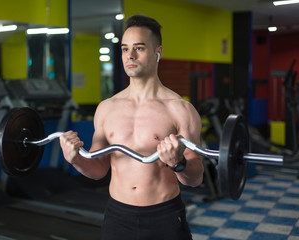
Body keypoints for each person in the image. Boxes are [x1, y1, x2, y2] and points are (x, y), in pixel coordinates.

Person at [60, 14, 204, 240]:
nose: (131, 55)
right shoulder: (107, 108)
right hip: (118, 216)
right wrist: (75, 158)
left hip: (163, 217)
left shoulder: (180, 109)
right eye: (125, 49)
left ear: (158, 52)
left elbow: (196, 178)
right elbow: (98, 170)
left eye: (139, 48)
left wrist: (178, 163)